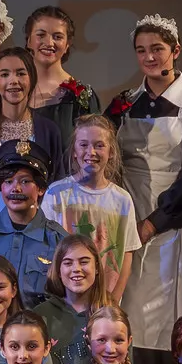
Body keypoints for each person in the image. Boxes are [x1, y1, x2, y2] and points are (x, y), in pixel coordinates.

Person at [108, 15, 182, 364]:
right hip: (126, 211)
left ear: (175, 50)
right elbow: (102, 154)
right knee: (127, 297)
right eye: (142, 50)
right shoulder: (124, 104)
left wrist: (154, 221)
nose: (150, 57)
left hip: (173, 217)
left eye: (157, 48)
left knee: (167, 303)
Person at [0, 47, 65, 236]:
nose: (13, 81)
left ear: (32, 79)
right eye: (5, 74)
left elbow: (57, 190)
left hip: (39, 235)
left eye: (20, 73)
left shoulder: (50, 131)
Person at [42, 115, 139, 307]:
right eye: (84, 145)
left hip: (105, 301)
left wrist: (113, 298)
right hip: (64, 300)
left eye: (99, 145)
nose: (91, 152)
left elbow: (127, 251)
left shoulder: (122, 200)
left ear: (111, 152)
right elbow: (45, 247)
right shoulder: (56, 194)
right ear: (74, 152)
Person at [0, 141, 69, 309]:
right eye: (8, 181)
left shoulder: (58, 241)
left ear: (40, 189)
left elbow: (66, 301)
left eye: (25, 182)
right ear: (0, 187)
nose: (15, 189)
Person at [24, 5, 102, 163]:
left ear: (67, 44)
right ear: (28, 40)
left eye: (57, 37)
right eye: (41, 35)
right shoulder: (13, 90)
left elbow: (93, 154)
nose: (49, 42)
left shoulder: (81, 97)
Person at [35, 235, 110, 364]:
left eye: (84, 262)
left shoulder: (111, 315)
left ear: (96, 267)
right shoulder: (40, 316)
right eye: (68, 263)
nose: (76, 269)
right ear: (59, 270)